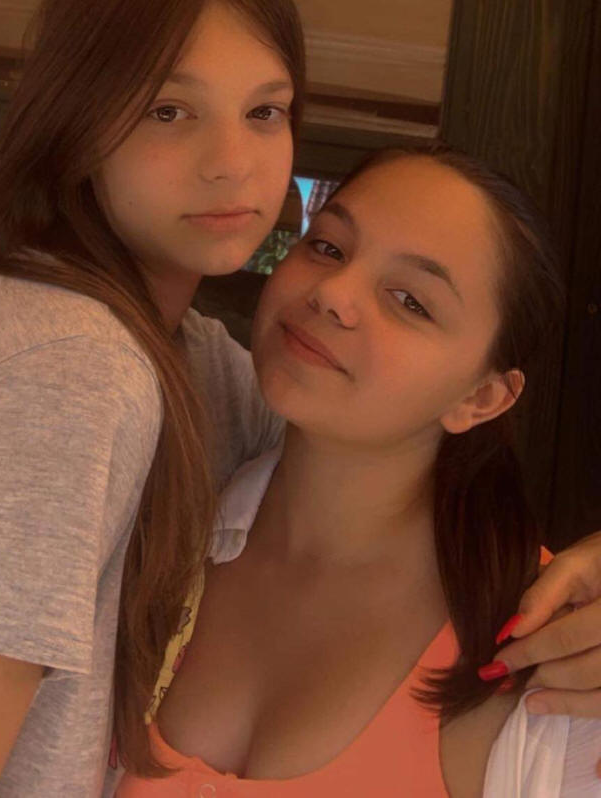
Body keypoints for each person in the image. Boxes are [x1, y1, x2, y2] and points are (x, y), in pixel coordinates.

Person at [0, 0, 601, 798]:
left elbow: (359, 445)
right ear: (78, 122)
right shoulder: (67, 373)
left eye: (264, 112)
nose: (232, 164)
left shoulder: (200, 375)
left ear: (488, 395)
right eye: (169, 110)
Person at [116, 146, 601, 796]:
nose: (332, 293)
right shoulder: (160, 531)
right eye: (327, 247)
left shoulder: (557, 651)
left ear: (482, 398)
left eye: (410, 301)